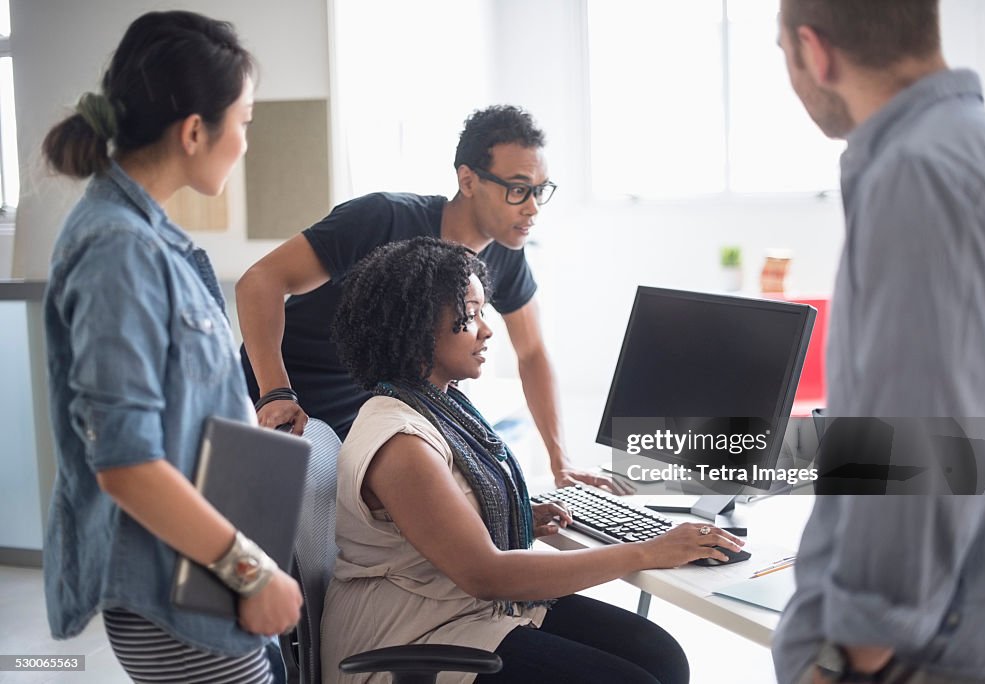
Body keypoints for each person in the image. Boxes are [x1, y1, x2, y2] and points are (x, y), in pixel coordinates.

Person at [320, 237, 744, 684]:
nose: (486, 329)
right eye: (469, 314)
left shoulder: (437, 403)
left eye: (484, 311)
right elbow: (487, 575)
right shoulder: (402, 442)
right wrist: (649, 550)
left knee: (661, 657)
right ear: (413, 326)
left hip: (458, 608)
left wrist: (512, 516)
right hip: (409, 637)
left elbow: (444, 521)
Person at [41, 11, 302, 683]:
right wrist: (251, 572)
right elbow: (126, 464)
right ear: (194, 131)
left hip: (201, 581)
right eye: (243, 121)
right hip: (174, 597)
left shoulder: (149, 239)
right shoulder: (117, 250)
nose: (246, 141)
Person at [773, 1, 985, 682]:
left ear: (815, 52)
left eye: (782, 56)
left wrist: (852, 658)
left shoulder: (919, 170)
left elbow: (924, 439)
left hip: (923, 653)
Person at [235, 105, 628, 494]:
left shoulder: (506, 253)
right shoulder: (384, 217)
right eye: (518, 189)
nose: (533, 207)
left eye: (540, 191)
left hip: (371, 413)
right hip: (285, 396)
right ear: (468, 180)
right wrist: (275, 391)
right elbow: (259, 281)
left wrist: (560, 461)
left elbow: (532, 352)